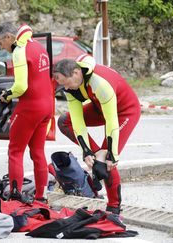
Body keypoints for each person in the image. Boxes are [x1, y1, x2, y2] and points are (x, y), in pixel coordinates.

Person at [53, 55, 141, 214]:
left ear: (76, 73)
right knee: (64, 121)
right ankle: (96, 156)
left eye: (66, 84)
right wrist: (87, 151)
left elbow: (111, 121)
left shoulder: (99, 82)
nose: (66, 88)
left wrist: (111, 154)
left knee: (106, 160)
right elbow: (77, 121)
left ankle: (114, 207)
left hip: (124, 112)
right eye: (62, 85)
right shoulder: (70, 86)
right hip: (99, 107)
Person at [0, 22, 54, 202]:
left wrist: (7, 95)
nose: (1, 48)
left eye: (0, 43)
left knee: (15, 151)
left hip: (30, 107)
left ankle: (15, 195)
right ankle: (41, 196)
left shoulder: (20, 51)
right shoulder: (37, 45)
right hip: (47, 105)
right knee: (38, 151)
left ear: (9, 37)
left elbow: (21, 86)